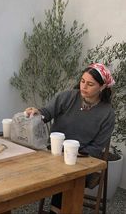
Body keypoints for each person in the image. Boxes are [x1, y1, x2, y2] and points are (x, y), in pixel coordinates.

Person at [25, 63, 115, 213]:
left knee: (67, 175)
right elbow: (46, 113)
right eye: (82, 81)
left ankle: (56, 211)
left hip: (83, 160)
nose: (84, 87)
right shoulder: (67, 97)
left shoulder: (107, 114)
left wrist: (72, 154)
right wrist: (36, 112)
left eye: (90, 84)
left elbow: (97, 148)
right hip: (53, 153)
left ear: (102, 87)